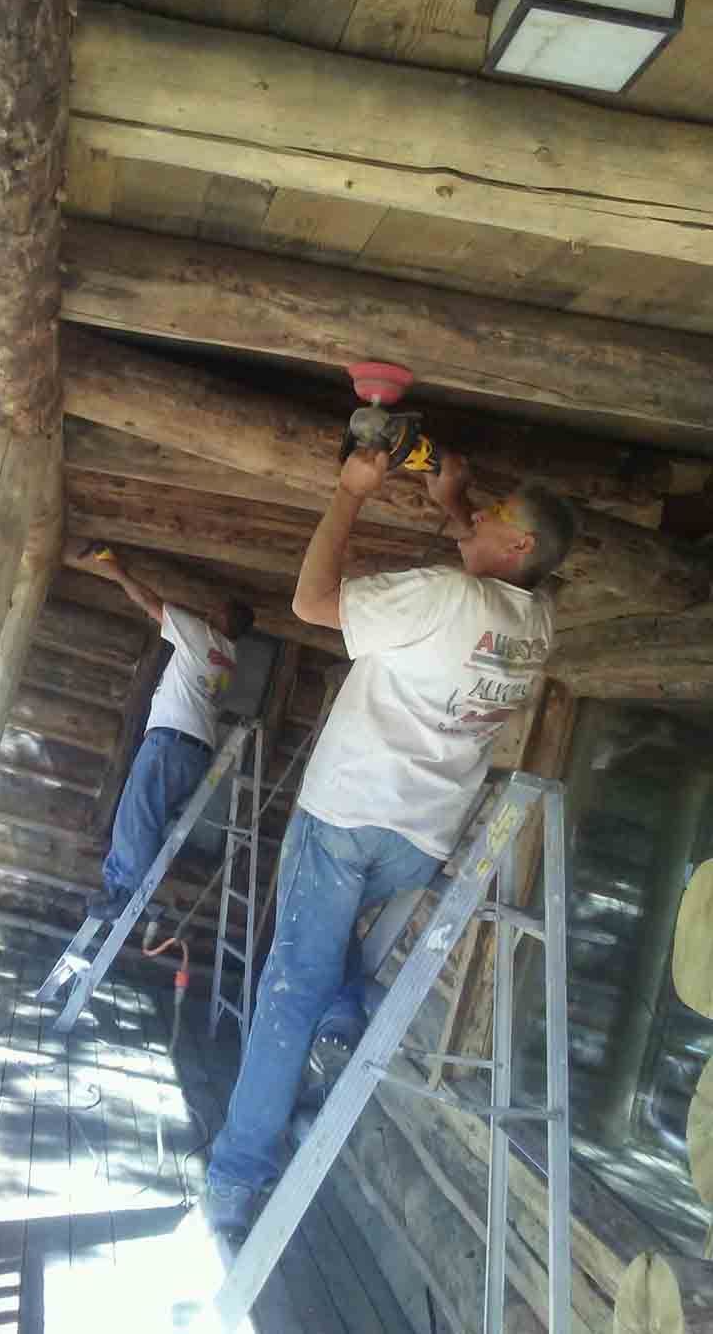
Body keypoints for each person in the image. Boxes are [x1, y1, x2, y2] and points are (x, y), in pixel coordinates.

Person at [205, 448, 574, 1237]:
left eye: (496, 515)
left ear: (515, 548)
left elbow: (311, 602)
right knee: (326, 964)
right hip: (420, 840)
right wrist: (459, 500)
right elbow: (494, 572)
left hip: (345, 818)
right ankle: (341, 1029)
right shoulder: (537, 620)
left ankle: (237, 1174)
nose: (480, 517)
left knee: (288, 989)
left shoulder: (442, 596)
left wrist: (349, 491)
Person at [63, 541, 254, 921]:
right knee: (147, 818)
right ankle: (128, 886)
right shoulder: (229, 657)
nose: (208, 610)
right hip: (194, 752)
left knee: (137, 814)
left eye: (216, 609)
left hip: (171, 743)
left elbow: (150, 602)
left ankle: (122, 892)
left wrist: (115, 568)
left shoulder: (201, 635)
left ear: (224, 620)